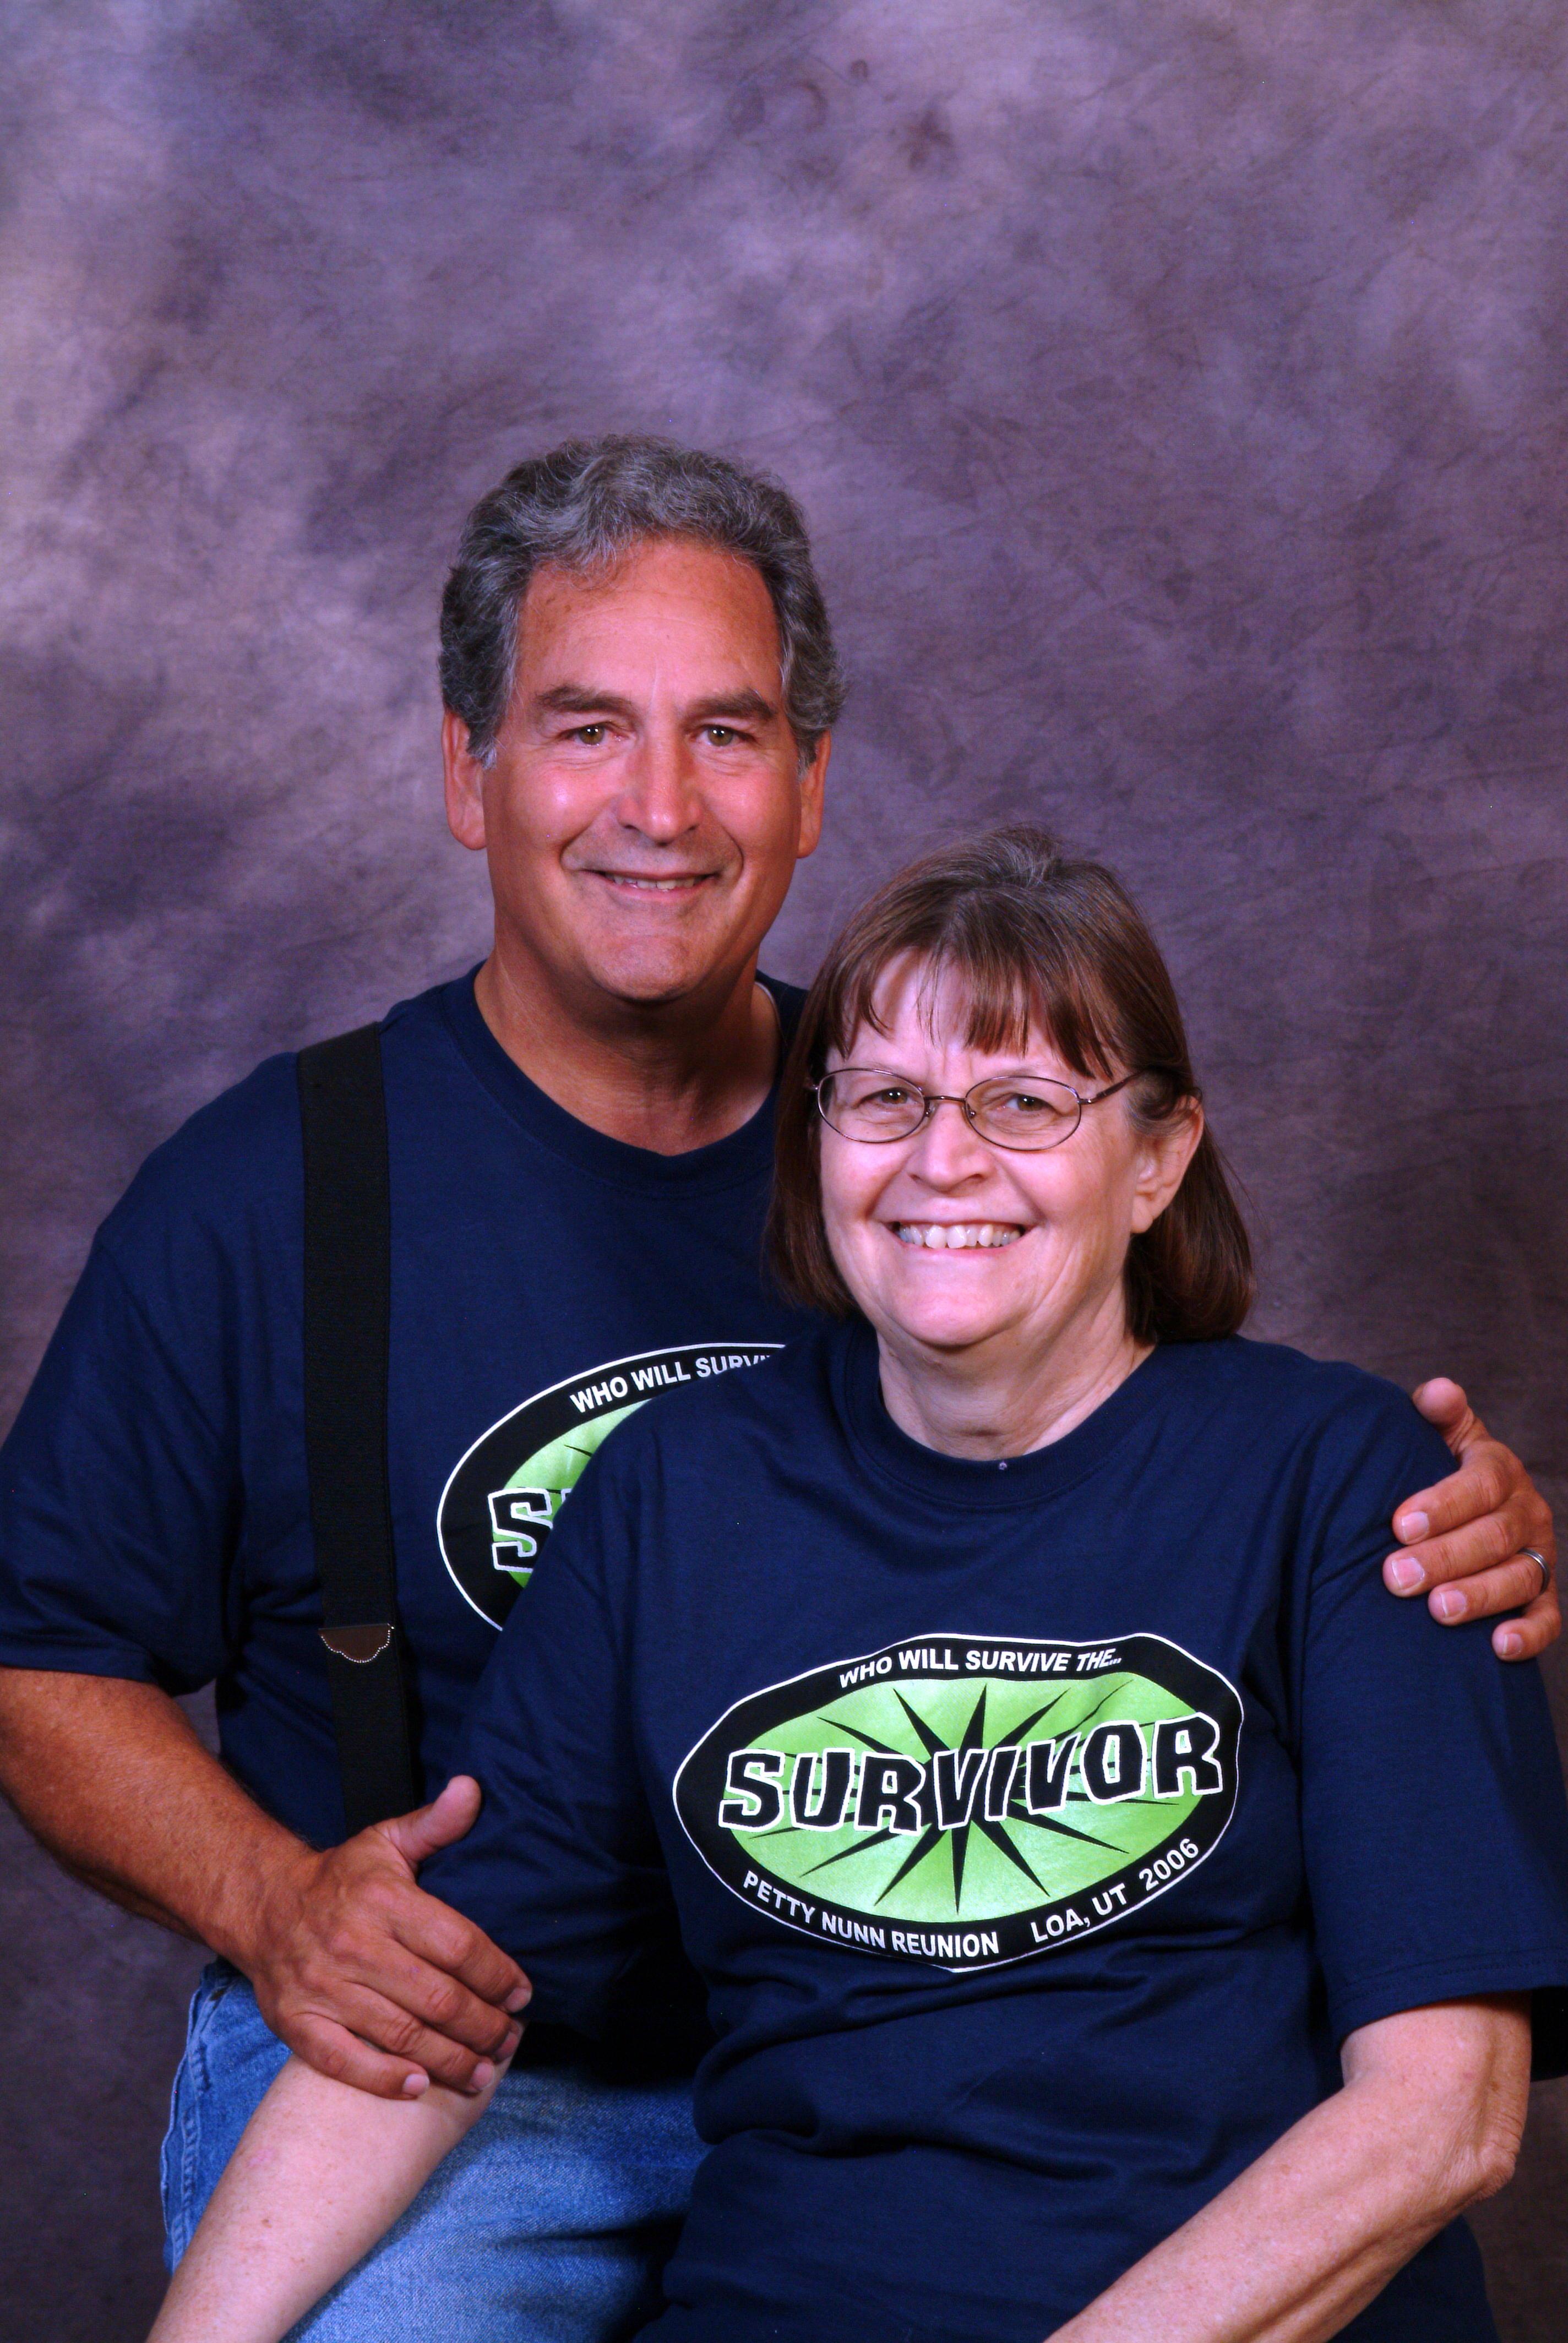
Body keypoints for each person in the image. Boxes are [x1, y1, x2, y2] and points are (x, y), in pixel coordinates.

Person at [0, 442, 1554, 2342]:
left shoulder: (942, 1109)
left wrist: (1444, 1525)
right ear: (464, 769)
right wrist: (278, 1907)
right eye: (585, 729)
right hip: (481, 2054)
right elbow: (36, 1653)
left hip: (920, 2071)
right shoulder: (285, 1203)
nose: (659, 806)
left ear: (812, 784)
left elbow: (1196, 1488)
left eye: (727, 733)